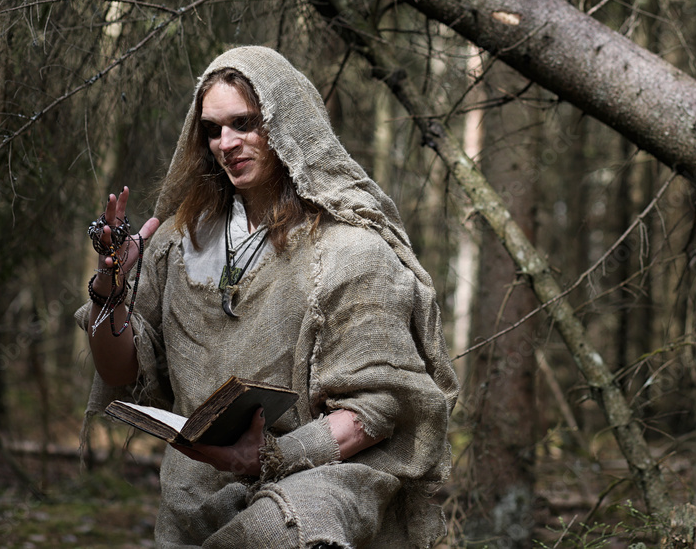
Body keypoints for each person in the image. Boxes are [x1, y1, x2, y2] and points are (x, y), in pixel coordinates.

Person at [76, 46, 459, 548]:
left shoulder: (349, 250)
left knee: (277, 531)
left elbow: (378, 408)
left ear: (287, 122)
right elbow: (120, 373)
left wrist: (271, 458)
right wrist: (113, 291)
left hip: (315, 490)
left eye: (244, 122)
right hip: (193, 498)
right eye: (212, 129)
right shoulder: (177, 240)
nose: (226, 143)